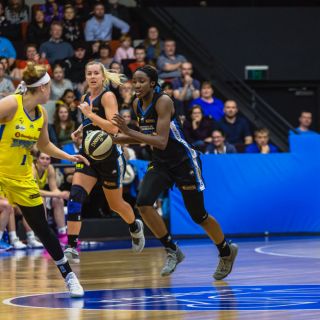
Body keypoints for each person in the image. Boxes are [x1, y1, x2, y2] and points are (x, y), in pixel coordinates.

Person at [112, 65, 238, 279]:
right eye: (134, 81)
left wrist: (128, 131)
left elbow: (160, 141)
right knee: (143, 203)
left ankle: (226, 251)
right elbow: (144, 135)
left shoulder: (164, 101)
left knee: (199, 215)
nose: (137, 85)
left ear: (152, 83)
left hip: (184, 162)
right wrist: (113, 138)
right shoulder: (136, 104)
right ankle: (172, 249)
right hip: (161, 163)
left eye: (142, 81)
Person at [0, 62, 88, 297]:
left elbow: (44, 145)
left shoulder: (41, 113)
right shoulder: (11, 103)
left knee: (43, 228)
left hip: (21, 177)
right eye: (49, 87)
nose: (51, 92)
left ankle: (69, 276)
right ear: (43, 88)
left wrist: (69, 155)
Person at [64, 61, 145, 264]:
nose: (92, 77)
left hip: (109, 158)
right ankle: (72, 246)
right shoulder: (85, 97)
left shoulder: (108, 96)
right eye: (89, 73)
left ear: (103, 76)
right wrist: (81, 129)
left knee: (116, 205)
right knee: (75, 197)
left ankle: (134, 226)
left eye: (95, 74)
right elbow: (91, 121)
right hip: (88, 155)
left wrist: (89, 114)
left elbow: (113, 128)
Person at [33, 151, 69, 244]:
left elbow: (54, 189)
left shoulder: (50, 168)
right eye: (42, 158)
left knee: (58, 200)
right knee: (41, 199)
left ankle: (62, 233)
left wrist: (63, 194)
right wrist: (59, 194)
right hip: (28, 195)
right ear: (37, 160)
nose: (45, 161)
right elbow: (35, 191)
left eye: (48, 159)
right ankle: (42, 234)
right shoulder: (32, 169)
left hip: (39, 195)